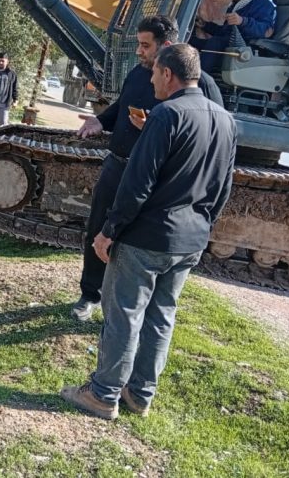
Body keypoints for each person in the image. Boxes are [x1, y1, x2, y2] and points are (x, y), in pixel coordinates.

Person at [61, 44, 236, 420]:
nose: (150, 78)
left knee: (124, 313)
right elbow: (223, 187)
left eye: (155, 71)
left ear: (169, 74)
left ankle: (103, 394)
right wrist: (204, 226)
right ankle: (140, 394)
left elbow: (137, 184)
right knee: (161, 316)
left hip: (147, 237)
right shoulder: (225, 120)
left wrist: (108, 231)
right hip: (190, 239)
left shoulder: (166, 115)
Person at [72, 15, 223, 321]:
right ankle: (90, 294)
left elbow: (210, 130)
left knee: (133, 242)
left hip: (155, 178)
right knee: (98, 228)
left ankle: (127, 308)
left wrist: (154, 124)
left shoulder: (202, 85)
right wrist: (100, 120)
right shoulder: (139, 73)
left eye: (145, 45)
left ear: (166, 46)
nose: (139, 52)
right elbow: (121, 105)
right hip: (118, 166)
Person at [189, 0, 276, 72]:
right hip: (228, 44)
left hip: (246, 49)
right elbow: (225, 32)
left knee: (215, 42)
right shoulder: (236, 4)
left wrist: (243, 21)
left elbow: (266, 31)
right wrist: (205, 25)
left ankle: (197, 80)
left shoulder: (263, 5)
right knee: (190, 41)